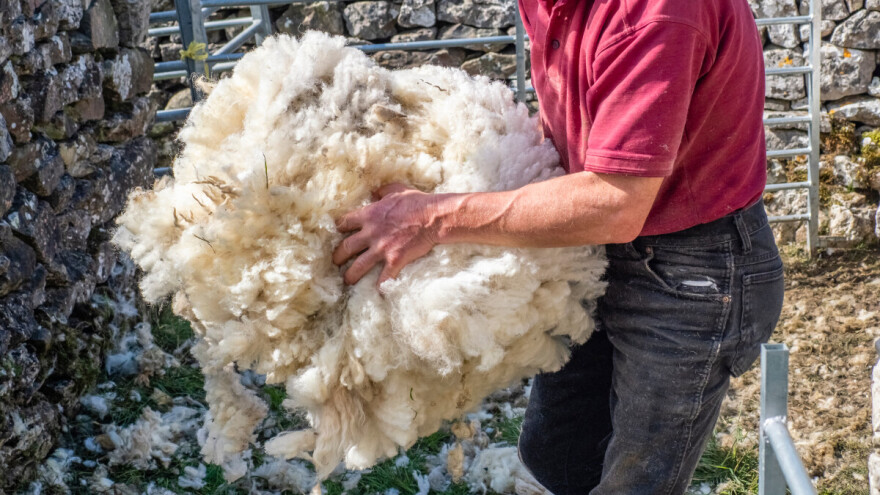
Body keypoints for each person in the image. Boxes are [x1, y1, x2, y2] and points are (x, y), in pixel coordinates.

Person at [331, 0, 786, 492]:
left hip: (691, 270)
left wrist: (433, 217)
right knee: (555, 458)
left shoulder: (658, 13)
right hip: (591, 243)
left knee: (634, 483)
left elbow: (618, 202)